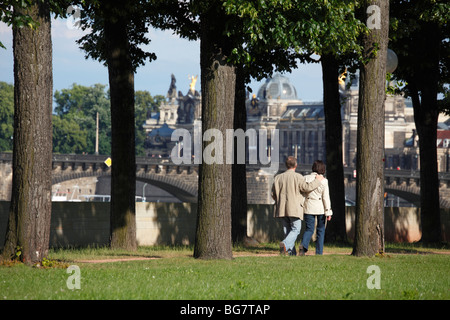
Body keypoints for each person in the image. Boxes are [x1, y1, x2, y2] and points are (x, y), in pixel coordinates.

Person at [272, 156, 324, 256]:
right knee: (296, 229)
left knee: (287, 230)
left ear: (286, 165)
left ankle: (292, 254)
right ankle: (285, 244)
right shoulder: (298, 177)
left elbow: (273, 194)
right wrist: (317, 180)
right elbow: (307, 188)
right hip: (294, 208)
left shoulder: (277, 178)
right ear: (296, 165)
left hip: (281, 208)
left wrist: (279, 200)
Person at [299, 160, 332, 256]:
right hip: (320, 208)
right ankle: (319, 252)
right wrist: (328, 211)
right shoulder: (324, 181)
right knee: (320, 230)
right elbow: (326, 197)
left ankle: (303, 246)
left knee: (309, 229)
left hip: (308, 207)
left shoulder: (305, 178)